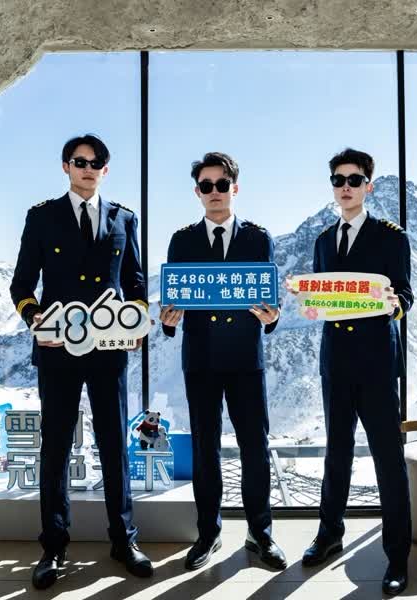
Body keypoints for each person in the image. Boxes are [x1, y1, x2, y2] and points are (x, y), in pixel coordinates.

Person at [10, 134, 152, 590]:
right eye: (80, 161)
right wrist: (36, 319)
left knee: (114, 444)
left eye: (97, 162)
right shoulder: (42, 217)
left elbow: (135, 283)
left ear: (105, 170)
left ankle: (124, 541)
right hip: (57, 351)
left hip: (109, 350)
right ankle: (53, 547)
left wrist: (136, 321)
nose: (88, 168)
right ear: (66, 166)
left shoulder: (123, 218)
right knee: (55, 447)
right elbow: (21, 285)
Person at [292, 148, 413, 596]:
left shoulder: (391, 237)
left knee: (388, 459)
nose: (345, 187)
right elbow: (323, 299)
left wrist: (394, 304)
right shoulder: (324, 240)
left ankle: (397, 555)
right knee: (337, 452)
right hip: (336, 359)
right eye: (338, 180)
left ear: (368, 186)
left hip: (377, 360)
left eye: (354, 179)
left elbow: (405, 295)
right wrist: (309, 301)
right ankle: (329, 534)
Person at [159, 152, 286, 571]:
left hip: (246, 359)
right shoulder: (182, 240)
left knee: (255, 448)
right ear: (197, 192)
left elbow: (269, 298)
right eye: (206, 185)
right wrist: (168, 320)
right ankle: (208, 534)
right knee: (205, 449)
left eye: (221, 184)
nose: (214, 192)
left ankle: (260, 533)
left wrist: (272, 316)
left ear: (235, 188)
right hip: (201, 359)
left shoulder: (258, 238)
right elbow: (174, 298)